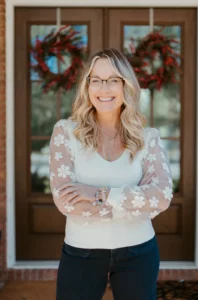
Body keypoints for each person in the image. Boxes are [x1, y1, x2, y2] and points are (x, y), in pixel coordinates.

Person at [49, 48, 173, 300]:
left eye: (113, 80)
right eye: (96, 80)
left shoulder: (148, 138)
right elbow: (65, 200)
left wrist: (99, 194)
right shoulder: (66, 133)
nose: (104, 88)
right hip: (82, 252)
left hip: (139, 253)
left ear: (126, 85)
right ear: (87, 86)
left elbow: (161, 196)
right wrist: (133, 207)